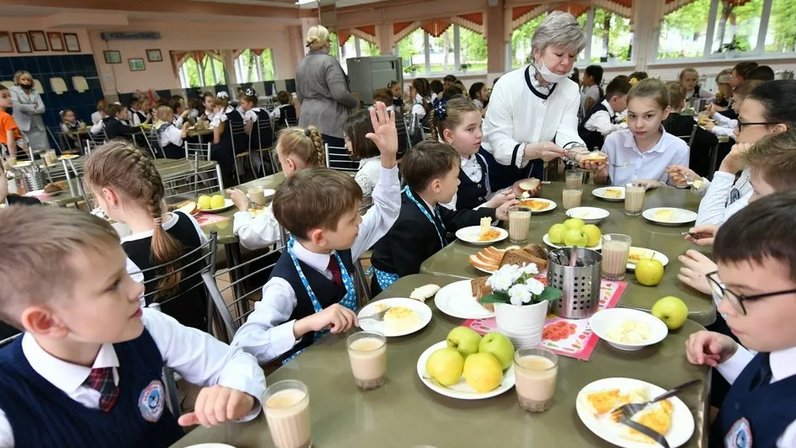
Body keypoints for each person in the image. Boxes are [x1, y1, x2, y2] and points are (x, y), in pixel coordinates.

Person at [0, 206, 266, 447]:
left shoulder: (145, 326)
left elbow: (231, 361)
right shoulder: (9, 405)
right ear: (46, 321)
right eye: (113, 284)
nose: (137, 287)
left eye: (126, 273)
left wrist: (238, 391)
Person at [231, 103, 400, 363]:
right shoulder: (283, 284)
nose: (360, 221)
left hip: (347, 357)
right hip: (309, 372)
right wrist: (304, 324)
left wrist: (388, 159)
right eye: (353, 218)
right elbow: (244, 345)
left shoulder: (341, 244)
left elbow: (385, 211)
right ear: (320, 236)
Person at [683, 190, 796, 448]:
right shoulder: (779, 344)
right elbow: (768, 387)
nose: (724, 306)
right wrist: (732, 355)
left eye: (744, 295)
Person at [84, 141, 209, 331]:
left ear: (109, 196)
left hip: (161, 354)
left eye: (97, 197)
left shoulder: (123, 258)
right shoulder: (188, 221)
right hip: (202, 332)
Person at [369, 141, 514, 294]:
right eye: (456, 177)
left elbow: (453, 219)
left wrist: (495, 213)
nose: (459, 182)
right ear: (436, 186)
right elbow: (411, 276)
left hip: (429, 270)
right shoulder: (408, 222)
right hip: (398, 291)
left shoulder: (423, 197)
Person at [480, 12, 600, 190]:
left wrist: (580, 155)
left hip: (533, 165)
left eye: (572, 56)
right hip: (497, 166)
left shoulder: (570, 89)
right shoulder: (508, 84)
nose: (566, 63)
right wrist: (534, 150)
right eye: (559, 54)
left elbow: (566, 131)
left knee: (534, 211)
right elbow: (499, 144)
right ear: (537, 51)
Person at [669, 80, 796, 226]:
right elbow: (732, 200)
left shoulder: (775, 181)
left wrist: (726, 169)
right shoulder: (757, 163)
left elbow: (707, 229)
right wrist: (699, 182)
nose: (735, 131)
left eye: (742, 124)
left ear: (777, 132)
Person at [228, 126, 326, 251]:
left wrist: (243, 208)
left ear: (290, 164)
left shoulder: (290, 198)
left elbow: (250, 238)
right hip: (337, 259)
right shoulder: (332, 183)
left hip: (301, 264)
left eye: (281, 163)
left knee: (253, 266)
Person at [594, 78, 689, 188]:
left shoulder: (678, 148)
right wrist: (601, 176)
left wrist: (659, 186)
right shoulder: (613, 141)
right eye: (632, 116)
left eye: (648, 116)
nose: (638, 125)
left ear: (665, 113)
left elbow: (678, 195)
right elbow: (599, 185)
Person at [432, 97, 517, 211]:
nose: (479, 134)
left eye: (480, 127)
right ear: (449, 136)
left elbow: (484, 198)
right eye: (470, 129)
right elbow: (450, 220)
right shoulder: (443, 169)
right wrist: (491, 206)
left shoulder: (480, 159)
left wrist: (511, 190)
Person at [296, 24, 358, 149]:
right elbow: (339, 93)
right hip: (330, 124)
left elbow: (300, 96)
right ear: (325, 43)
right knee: (336, 164)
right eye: (329, 41)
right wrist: (354, 102)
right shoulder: (329, 62)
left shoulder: (301, 64)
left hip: (306, 123)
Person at [662, 82, 718, 177]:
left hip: (661, 166)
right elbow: (712, 140)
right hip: (686, 169)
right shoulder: (688, 121)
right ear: (682, 103)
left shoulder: (657, 121)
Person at [578, 75, 631, 151]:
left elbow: (617, 117)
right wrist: (627, 124)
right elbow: (606, 129)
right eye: (627, 101)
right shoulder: (601, 113)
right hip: (585, 154)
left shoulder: (609, 107)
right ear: (615, 100)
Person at [344, 109, 381, 213]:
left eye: (348, 139)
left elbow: (358, 211)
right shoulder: (383, 160)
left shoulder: (366, 173)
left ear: (361, 139)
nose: (345, 145)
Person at [9, 71, 47, 153]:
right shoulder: (13, 90)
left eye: (28, 80)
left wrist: (27, 108)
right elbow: (18, 107)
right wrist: (33, 106)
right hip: (23, 126)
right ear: (18, 80)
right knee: (30, 152)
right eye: (23, 79)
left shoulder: (35, 92)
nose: (26, 81)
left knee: (45, 151)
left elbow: (42, 108)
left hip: (38, 126)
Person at [0, 86, 25, 161]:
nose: (9, 98)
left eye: (9, 95)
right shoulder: (6, 117)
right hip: (12, 151)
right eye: (4, 97)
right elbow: (10, 141)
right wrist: (13, 158)